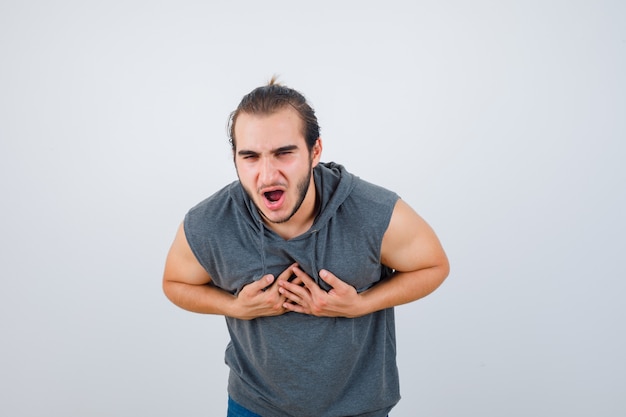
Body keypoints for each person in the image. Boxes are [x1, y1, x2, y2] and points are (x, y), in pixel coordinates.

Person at [162, 78, 449, 417]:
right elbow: (174, 283)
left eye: (284, 153)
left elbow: (434, 265)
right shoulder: (210, 222)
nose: (267, 175)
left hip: (357, 408)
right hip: (254, 406)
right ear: (235, 159)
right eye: (250, 156)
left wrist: (360, 305)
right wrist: (236, 306)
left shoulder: (371, 210)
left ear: (315, 152)